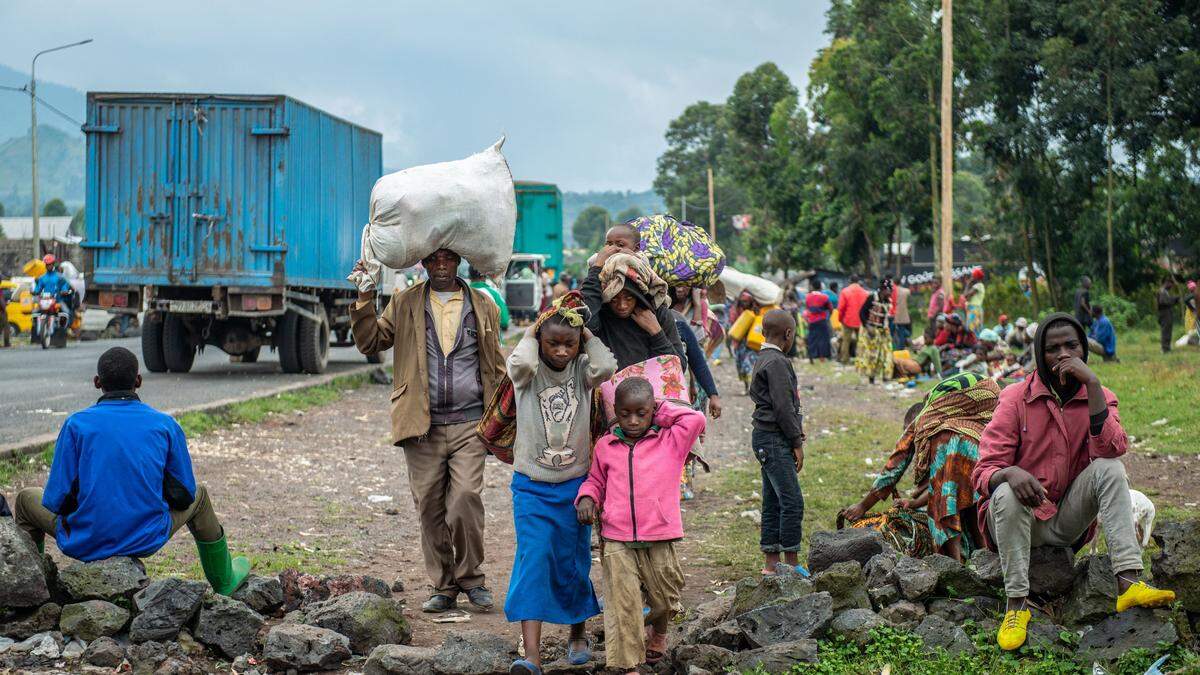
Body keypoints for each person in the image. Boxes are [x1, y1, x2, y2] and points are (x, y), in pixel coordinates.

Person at [972, 314, 1176, 651]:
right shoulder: (1015, 397)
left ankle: (1128, 581)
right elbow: (983, 471)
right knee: (1005, 490)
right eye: (1052, 349)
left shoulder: (1101, 395)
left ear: (1084, 350)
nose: (1063, 355)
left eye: (1071, 346)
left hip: (1065, 521)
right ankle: (1016, 606)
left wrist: (1093, 385)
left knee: (1110, 468)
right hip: (1015, 521)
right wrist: (1008, 473)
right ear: (1040, 355)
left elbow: (1112, 448)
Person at [13, 347, 251, 594]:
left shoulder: (76, 425)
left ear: (97, 382)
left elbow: (56, 500)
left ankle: (31, 590)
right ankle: (224, 581)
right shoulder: (165, 424)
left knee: (24, 498)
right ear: (138, 381)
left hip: (85, 541)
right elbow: (184, 495)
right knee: (200, 497)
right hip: (145, 538)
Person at [351, 248, 506, 613]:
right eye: (434, 259)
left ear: (459, 262)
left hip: (471, 422)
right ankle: (444, 585)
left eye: (448, 259)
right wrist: (363, 296)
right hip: (422, 423)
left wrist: (503, 419)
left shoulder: (483, 305)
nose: (441, 265)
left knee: (466, 499)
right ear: (424, 263)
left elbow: (495, 363)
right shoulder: (405, 302)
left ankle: (472, 579)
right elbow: (370, 342)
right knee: (429, 507)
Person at [505, 293, 616, 675]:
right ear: (540, 340)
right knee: (534, 560)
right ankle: (531, 656)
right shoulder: (528, 374)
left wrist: (584, 333)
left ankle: (578, 634)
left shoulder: (584, 371)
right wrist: (534, 331)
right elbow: (518, 360)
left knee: (573, 562)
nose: (562, 351)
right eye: (553, 343)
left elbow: (607, 364)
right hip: (532, 486)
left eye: (569, 344)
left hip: (575, 488)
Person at [576, 379, 705, 674]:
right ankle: (628, 664)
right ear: (616, 413)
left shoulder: (671, 440)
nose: (633, 421)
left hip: (660, 532)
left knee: (666, 597)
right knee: (624, 603)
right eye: (625, 414)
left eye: (641, 413)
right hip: (617, 536)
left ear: (653, 411)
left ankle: (658, 632)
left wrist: (659, 409)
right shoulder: (606, 445)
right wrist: (587, 497)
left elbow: (695, 418)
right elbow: (595, 481)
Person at [842, 372, 1000, 561]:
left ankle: (954, 565)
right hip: (979, 439)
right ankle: (987, 562)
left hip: (956, 445)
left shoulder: (925, 423)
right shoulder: (960, 418)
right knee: (971, 505)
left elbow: (895, 466)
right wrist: (914, 503)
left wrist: (862, 506)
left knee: (946, 506)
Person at [749, 310, 807, 576]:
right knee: (792, 500)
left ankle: (771, 565)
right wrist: (796, 441)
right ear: (788, 334)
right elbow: (784, 407)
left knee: (772, 500)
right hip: (774, 438)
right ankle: (792, 564)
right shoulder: (778, 362)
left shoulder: (762, 359)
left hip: (763, 437)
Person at [582, 241, 687, 372]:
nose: (622, 305)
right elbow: (587, 323)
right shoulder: (601, 316)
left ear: (639, 296)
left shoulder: (659, 315)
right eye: (614, 299)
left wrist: (656, 332)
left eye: (629, 298)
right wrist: (596, 268)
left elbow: (679, 368)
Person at [670, 286, 722, 501]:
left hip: (687, 385)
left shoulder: (687, 317)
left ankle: (684, 481)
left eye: (685, 285)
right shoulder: (649, 316)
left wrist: (711, 393)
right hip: (665, 390)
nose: (680, 288)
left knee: (687, 435)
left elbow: (697, 357)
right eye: (677, 285)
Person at [856, 280, 893, 384]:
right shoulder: (872, 298)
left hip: (883, 331)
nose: (891, 293)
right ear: (883, 290)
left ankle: (886, 376)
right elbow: (862, 313)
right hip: (871, 330)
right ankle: (871, 377)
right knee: (873, 355)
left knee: (886, 353)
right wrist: (867, 326)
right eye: (889, 291)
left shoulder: (888, 301)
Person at [468, 266, 510, 332]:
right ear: (484, 275)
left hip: (467, 340)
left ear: (469, 276)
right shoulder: (494, 294)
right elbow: (504, 321)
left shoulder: (463, 293)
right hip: (491, 340)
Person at [837, 275, 868, 363]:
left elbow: (841, 307)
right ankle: (861, 359)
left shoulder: (845, 291)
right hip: (861, 320)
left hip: (848, 319)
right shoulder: (865, 292)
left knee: (846, 341)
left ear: (850, 281)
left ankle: (845, 359)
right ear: (858, 281)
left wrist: (840, 319)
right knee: (861, 341)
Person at [804, 280, 834, 362]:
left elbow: (807, 308)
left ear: (812, 287)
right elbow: (831, 309)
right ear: (820, 287)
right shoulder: (825, 297)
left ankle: (811, 356)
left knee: (812, 338)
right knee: (823, 338)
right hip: (822, 320)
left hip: (812, 321)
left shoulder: (808, 297)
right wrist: (828, 316)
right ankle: (822, 357)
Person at [1157, 278, 1180, 353]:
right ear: (1166, 283)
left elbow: (1168, 301)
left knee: (1168, 330)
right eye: (1170, 284)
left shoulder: (1166, 291)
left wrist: (1174, 300)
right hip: (1164, 314)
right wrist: (1173, 299)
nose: (1171, 286)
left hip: (1168, 313)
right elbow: (1163, 302)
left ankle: (1167, 347)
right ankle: (1164, 348)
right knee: (1165, 331)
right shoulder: (1162, 291)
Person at [963, 268, 986, 333]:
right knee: (974, 327)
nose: (971, 277)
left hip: (974, 309)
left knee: (972, 328)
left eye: (973, 276)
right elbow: (967, 297)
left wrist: (967, 284)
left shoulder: (978, 286)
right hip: (973, 309)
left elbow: (966, 295)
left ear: (976, 277)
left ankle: (975, 342)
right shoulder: (978, 286)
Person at [891, 280, 912, 350]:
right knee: (902, 333)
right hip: (902, 315)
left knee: (891, 332)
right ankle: (901, 348)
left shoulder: (891, 291)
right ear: (900, 283)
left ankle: (892, 347)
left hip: (892, 314)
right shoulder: (906, 291)